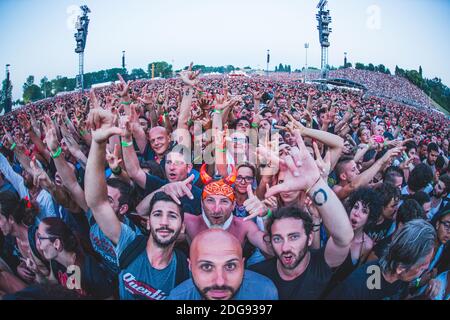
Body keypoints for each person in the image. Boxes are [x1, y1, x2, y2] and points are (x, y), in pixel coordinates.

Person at [84, 108, 189, 300]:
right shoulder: (129, 244)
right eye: (157, 214)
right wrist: (98, 144)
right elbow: (97, 202)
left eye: (172, 216)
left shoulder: (185, 271)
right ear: (148, 222)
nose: (164, 222)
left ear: (182, 227)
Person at [249, 130, 354, 299]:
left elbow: (344, 238)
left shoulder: (319, 266)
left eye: (294, 237)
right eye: (277, 238)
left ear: (310, 237)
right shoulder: (256, 277)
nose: (285, 248)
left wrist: (315, 184)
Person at [327, 219, 436, 300]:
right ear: (401, 268)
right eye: (421, 267)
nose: (426, 268)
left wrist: (423, 291)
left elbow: (406, 291)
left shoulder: (401, 278)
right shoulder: (356, 288)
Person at [168, 229, 278, 300]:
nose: (220, 282)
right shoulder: (178, 298)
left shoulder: (264, 292)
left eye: (230, 266)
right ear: (190, 267)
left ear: (242, 266)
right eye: (207, 267)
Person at [36, 217, 113, 299]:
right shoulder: (56, 263)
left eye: (40, 238)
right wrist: (37, 272)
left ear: (56, 244)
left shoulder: (88, 268)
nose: (38, 243)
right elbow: (51, 288)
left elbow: (109, 298)